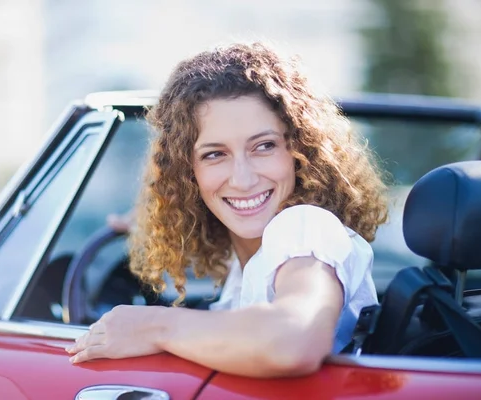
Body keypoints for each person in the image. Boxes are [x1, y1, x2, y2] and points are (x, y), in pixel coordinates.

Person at [66, 42, 388, 378]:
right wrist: (151, 218)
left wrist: (154, 326)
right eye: (214, 155)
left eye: (264, 146)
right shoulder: (252, 255)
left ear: (299, 150)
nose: (243, 179)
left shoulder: (303, 225)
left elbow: (294, 339)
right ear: (188, 174)